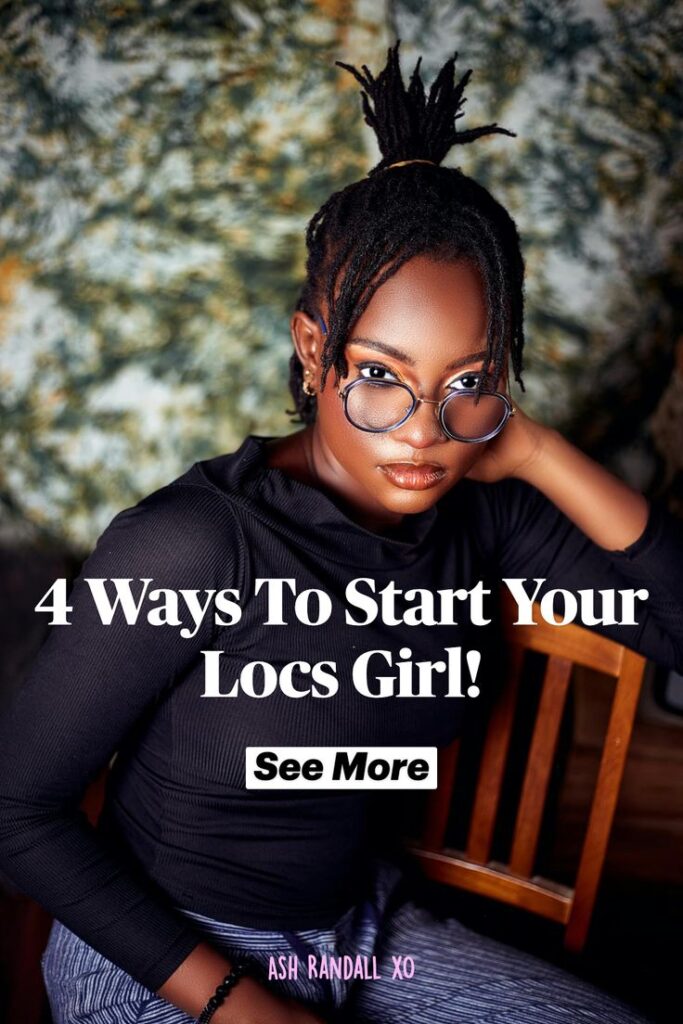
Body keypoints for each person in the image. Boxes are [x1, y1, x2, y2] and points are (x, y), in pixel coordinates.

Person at [1, 41, 681, 1024]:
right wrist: (244, 1004)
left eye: (467, 381)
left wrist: (531, 450)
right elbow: (19, 812)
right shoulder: (192, 544)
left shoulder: (475, 506)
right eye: (379, 374)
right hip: (166, 953)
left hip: (369, 942)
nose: (420, 430)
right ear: (313, 350)